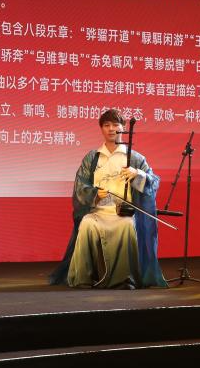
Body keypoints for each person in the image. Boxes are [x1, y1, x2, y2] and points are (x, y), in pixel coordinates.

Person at [49, 108, 167, 289]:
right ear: (101, 129)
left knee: (127, 226)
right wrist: (95, 194)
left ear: (123, 127)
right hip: (98, 211)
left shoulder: (135, 158)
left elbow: (154, 183)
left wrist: (138, 174)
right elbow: (80, 186)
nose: (111, 129)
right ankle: (84, 277)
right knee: (87, 223)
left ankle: (124, 279)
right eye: (106, 125)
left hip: (124, 212)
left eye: (115, 124)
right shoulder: (92, 158)